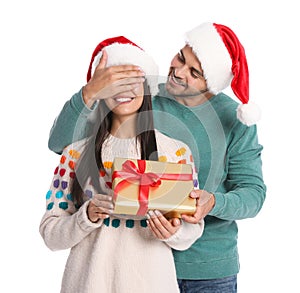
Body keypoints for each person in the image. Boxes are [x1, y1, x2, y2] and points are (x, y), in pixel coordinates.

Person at [47, 23, 266, 293]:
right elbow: (63, 144)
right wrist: (89, 92)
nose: (178, 71)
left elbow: (253, 193)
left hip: (205, 268)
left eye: (194, 72)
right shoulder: (139, 95)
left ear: (212, 83)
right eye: (181, 57)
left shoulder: (234, 119)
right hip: (139, 265)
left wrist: (213, 202)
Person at [40, 36, 204, 293]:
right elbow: (50, 233)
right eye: (114, 81)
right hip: (88, 284)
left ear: (147, 86)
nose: (124, 90)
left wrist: (173, 232)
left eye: (133, 80)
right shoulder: (74, 154)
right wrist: (86, 216)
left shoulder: (177, 152)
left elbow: (191, 229)